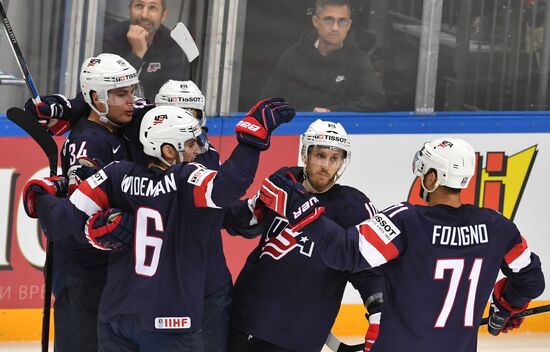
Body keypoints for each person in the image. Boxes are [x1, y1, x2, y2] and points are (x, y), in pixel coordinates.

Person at [22, 99, 295, 351]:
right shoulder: (186, 180)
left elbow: (63, 221)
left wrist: (44, 195)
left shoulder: (115, 175)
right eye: (189, 144)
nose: (197, 150)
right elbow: (230, 185)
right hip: (170, 323)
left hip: (117, 318)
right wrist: (253, 135)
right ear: (167, 150)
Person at [259, 137, 545, 352]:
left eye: (424, 172)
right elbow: (531, 280)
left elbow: (343, 253)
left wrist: (301, 208)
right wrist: (507, 305)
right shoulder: (497, 227)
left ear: (432, 178)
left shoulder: (406, 221)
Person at [223, 119, 384, 352]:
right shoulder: (284, 179)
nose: (326, 165)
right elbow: (245, 223)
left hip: (297, 336)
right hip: (246, 317)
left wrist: (379, 316)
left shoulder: (354, 207)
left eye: (334, 158)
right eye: (320, 155)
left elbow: (370, 273)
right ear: (305, 154)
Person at [33, 52, 139, 352]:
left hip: (108, 270)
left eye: (132, 91)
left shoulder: (116, 124)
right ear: (97, 97)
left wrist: (71, 106)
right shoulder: (90, 142)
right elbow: (83, 213)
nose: (131, 100)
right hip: (83, 272)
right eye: (121, 94)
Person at [262, 0, 386, 112]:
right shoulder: (293, 56)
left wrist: (332, 112)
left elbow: (377, 101)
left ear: (348, 25)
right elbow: (267, 103)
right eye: (328, 20)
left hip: (341, 133)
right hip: (297, 131)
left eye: (342, 21)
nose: (335, 28)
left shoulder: (358, 60)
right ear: (316, 22)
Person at [103, 0, 186, 101]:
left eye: (152, 8)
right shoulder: (110, 37)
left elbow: (172, 93)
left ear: (163, 15)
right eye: (139, 6)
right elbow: (108, 89)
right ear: (130, 10)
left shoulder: (171, 43)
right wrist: (137, 54)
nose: (144, 15)